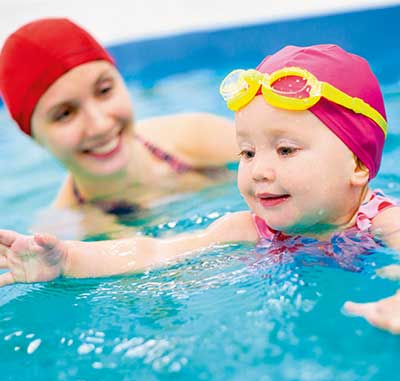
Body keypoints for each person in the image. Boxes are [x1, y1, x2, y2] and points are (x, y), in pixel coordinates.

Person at [1, 44, 400, 291]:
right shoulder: (247, 228)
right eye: (246, 153)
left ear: (359, 165)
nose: (258, 170)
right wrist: (67, 261)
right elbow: (152, 251)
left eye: (285, 150)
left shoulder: (382, 222)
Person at [0, 18, 238, 237]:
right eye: (65, 114)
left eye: (104, 90)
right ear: (33, 136)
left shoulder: (201, 136)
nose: (100, 125)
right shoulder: (61, 236)